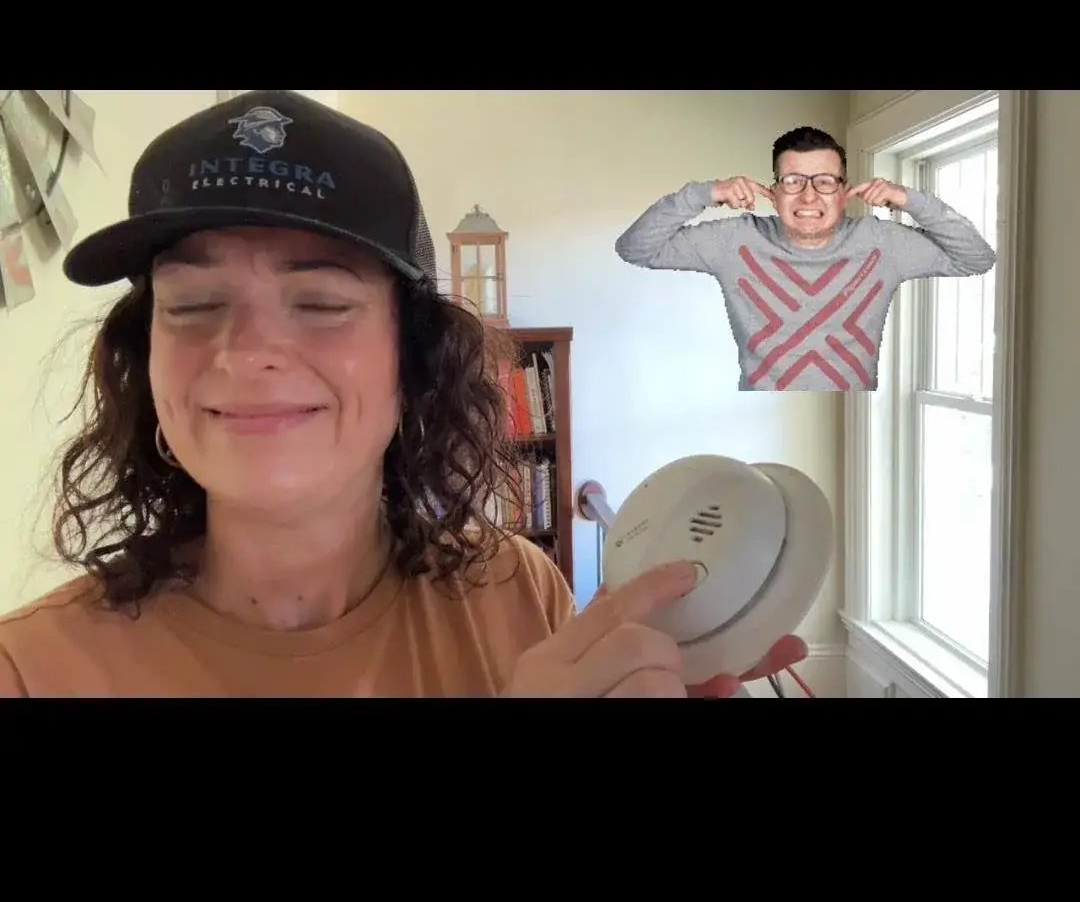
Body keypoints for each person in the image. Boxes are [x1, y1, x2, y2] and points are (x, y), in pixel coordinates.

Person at [0, 90, 802, 701]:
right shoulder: (32, 668)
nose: (244, 354)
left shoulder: (516, 593)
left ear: (409, 358)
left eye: (320, 304)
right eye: (193, 306)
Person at [615, 125, 996, 392]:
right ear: (773, 191)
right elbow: (635, 248)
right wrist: (705, 193)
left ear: (844, 192)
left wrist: (912, 201)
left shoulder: (883, 243)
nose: (809, 197)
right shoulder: (734, 239)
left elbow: (976, 259)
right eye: (793, 181)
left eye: (825, 182)